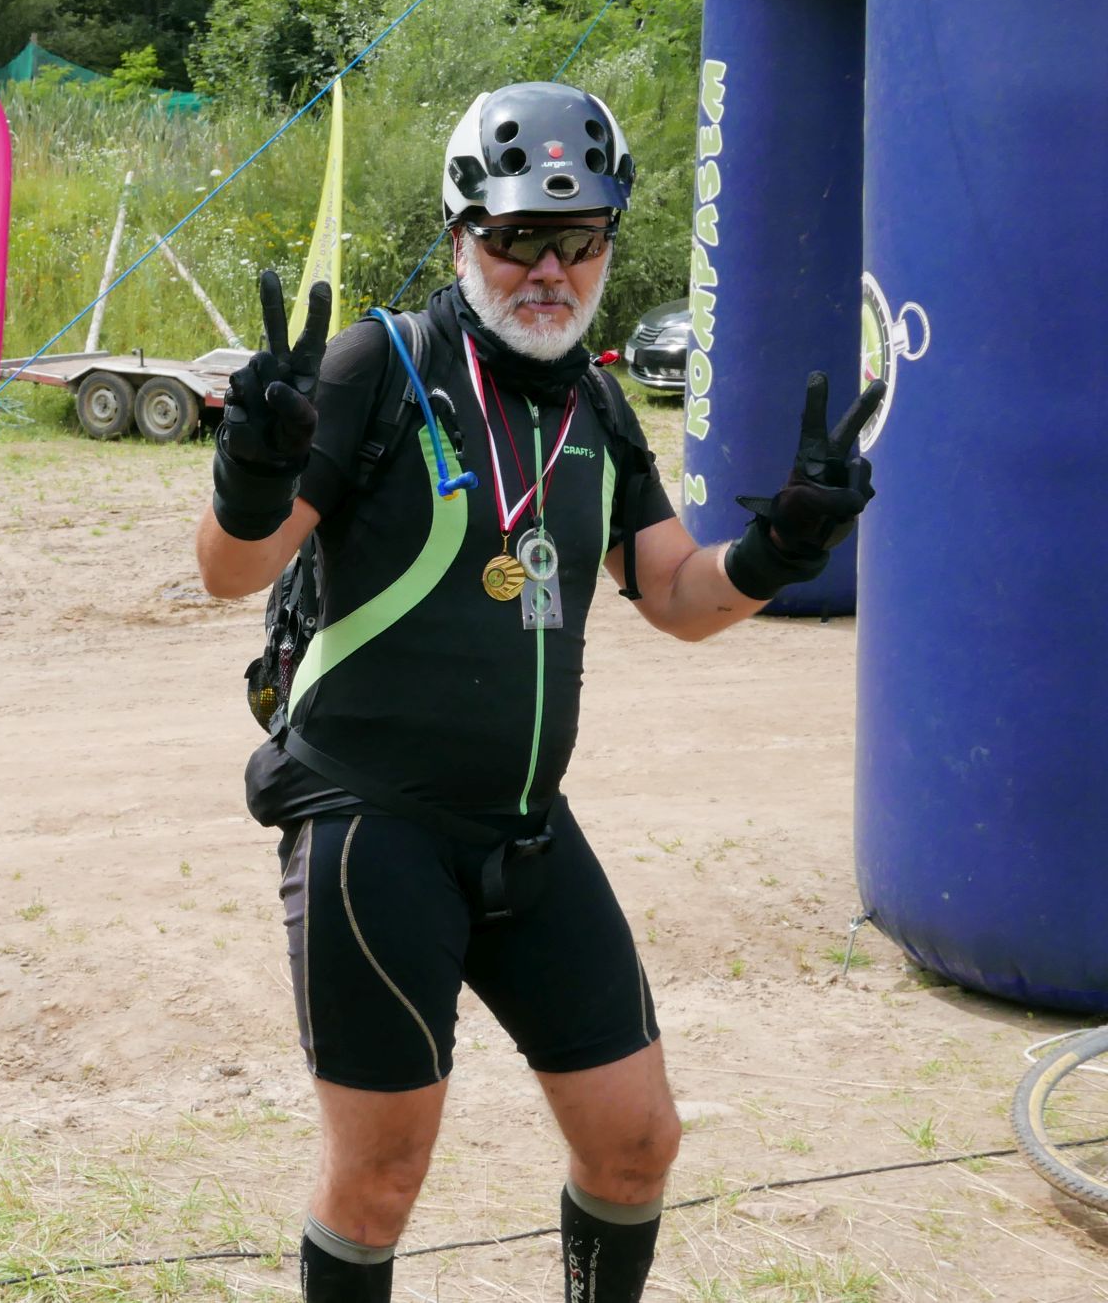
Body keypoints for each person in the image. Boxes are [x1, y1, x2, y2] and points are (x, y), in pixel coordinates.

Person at [195, 81, 883, 1303]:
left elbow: (674, 592)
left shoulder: (595, 406)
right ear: (461, 235)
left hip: (524, 833)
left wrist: (780, 546)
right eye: (517, 236)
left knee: (635, 1141)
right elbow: (227, 569)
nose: (550, 269)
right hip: (370, 829)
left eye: (580, 237)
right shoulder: (381, 366)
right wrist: (252, 468)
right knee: (378, 1179)